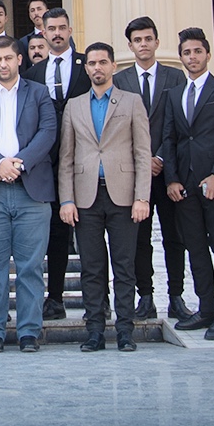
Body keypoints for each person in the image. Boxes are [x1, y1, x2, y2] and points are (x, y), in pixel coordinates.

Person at [58, 42, 153, 352]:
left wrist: (142, 197)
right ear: (85, 68)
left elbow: (142, 153)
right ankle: (95, 330)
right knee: (92, 267)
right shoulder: (74, 106)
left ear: (113, 66)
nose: (97, 68)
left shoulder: (132, 101)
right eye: (91, 63)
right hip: (85, 197)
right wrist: (66, 199)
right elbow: (66, 157)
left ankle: (125, 330)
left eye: (102, 62)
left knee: (124, 266)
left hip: (123, 196)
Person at [0, 35, 56, 352]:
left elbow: (48, 132)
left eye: (8, 58)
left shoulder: (39, 93)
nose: (2, 64)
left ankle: (29, 331)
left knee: (31, 266)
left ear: (19, 60)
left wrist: (20, 163)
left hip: (31, 190)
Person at [165, 27, 214, 341]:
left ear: (207, 54)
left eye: (197, 51)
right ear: (181, 57)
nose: (192, 57)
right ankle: (206, 309)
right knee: (195, 247)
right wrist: (171, 179)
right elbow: (169, 139)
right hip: (185, 186)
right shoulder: (174, 95)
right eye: (186, 52)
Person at [115, 15, 191, 322]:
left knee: (175, 237)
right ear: (130, 46)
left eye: (148, 39)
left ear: (157, 42)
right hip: (134, 176)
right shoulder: (120, 81)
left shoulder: (176, 77)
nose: (143, 44)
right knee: (138, 240)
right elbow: (119, 129)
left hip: (168, 172)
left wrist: (160, 158)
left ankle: (176, 297)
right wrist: (142, 160)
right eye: (137, 40)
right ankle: (145, 297)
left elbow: (180, 124)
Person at [24, 6, 88, 320]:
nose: (57, 33)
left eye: (62, 28)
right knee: (55, 235)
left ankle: (98, 298)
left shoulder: (86, 65)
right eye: (52, 29)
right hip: (45, 165)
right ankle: (55, 298)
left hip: (84, 162)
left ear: (70, 31)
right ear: (43, 32)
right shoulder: (33, 74)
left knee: (89, 235)